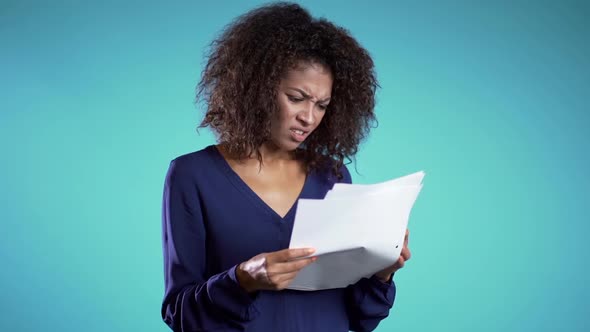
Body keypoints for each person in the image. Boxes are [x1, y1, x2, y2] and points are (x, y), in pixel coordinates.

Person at [160, 2, 411, 331]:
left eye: (322, 105)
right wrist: (242, 279)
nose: (308, 117)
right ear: (256, 88)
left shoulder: (332, 177)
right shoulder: (192, 176)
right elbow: (180, 314)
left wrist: (382, 272)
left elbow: (360, 317)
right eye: (296, 97)